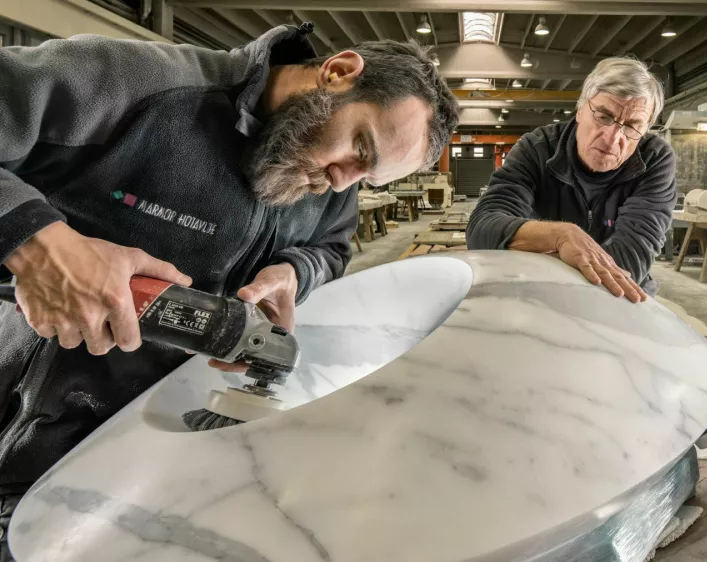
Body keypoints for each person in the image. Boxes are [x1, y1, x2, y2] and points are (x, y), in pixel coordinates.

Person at [0, 23, 458, 553]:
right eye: (361, 146)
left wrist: (293, 272)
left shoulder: (333, 181)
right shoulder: (136, 84)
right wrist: (34, 242)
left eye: (366, 179)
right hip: (27, 436)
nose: (342, 181)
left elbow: (332, 248)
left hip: (157, 444)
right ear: (337, 73)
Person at [466, 58, 676, 303]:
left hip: (615, 293)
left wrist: (536, 252)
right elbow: (482, 230)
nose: (612, 138)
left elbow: (631, 261)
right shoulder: (537, 148)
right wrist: (561, 235)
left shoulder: (654, 159)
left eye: (631, 126)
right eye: (604, 116)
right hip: (542, 289)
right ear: (580, 109)